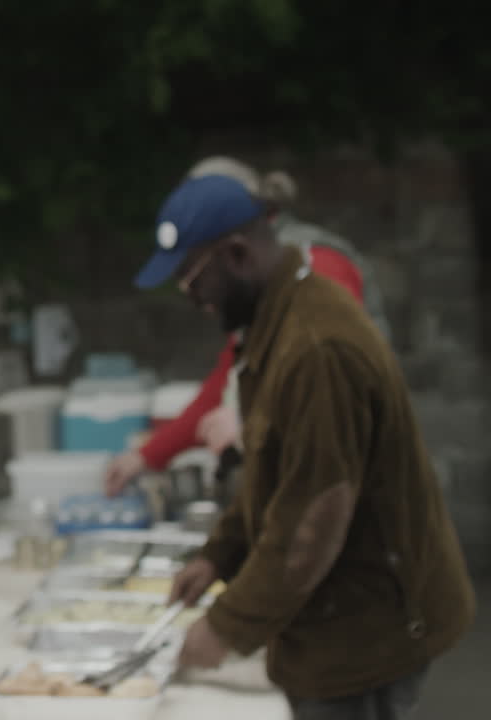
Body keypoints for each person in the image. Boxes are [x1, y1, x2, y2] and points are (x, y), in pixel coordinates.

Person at [138, 175, 474, 718]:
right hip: (333, 621)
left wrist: (227, 627)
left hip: (368, 633)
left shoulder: (316, 347)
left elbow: (312, 520)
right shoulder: (275, 322)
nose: (192, 299)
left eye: (191, 279)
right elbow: (278, 473)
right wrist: (219, 554)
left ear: (238, 253)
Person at [105, 155, 391, 496]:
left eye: (193, 278)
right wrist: (149, 454)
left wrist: (248, 424)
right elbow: (230, 376)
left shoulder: (316, 267)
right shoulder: (259, 282)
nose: (197, 299)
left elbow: (334, 383)